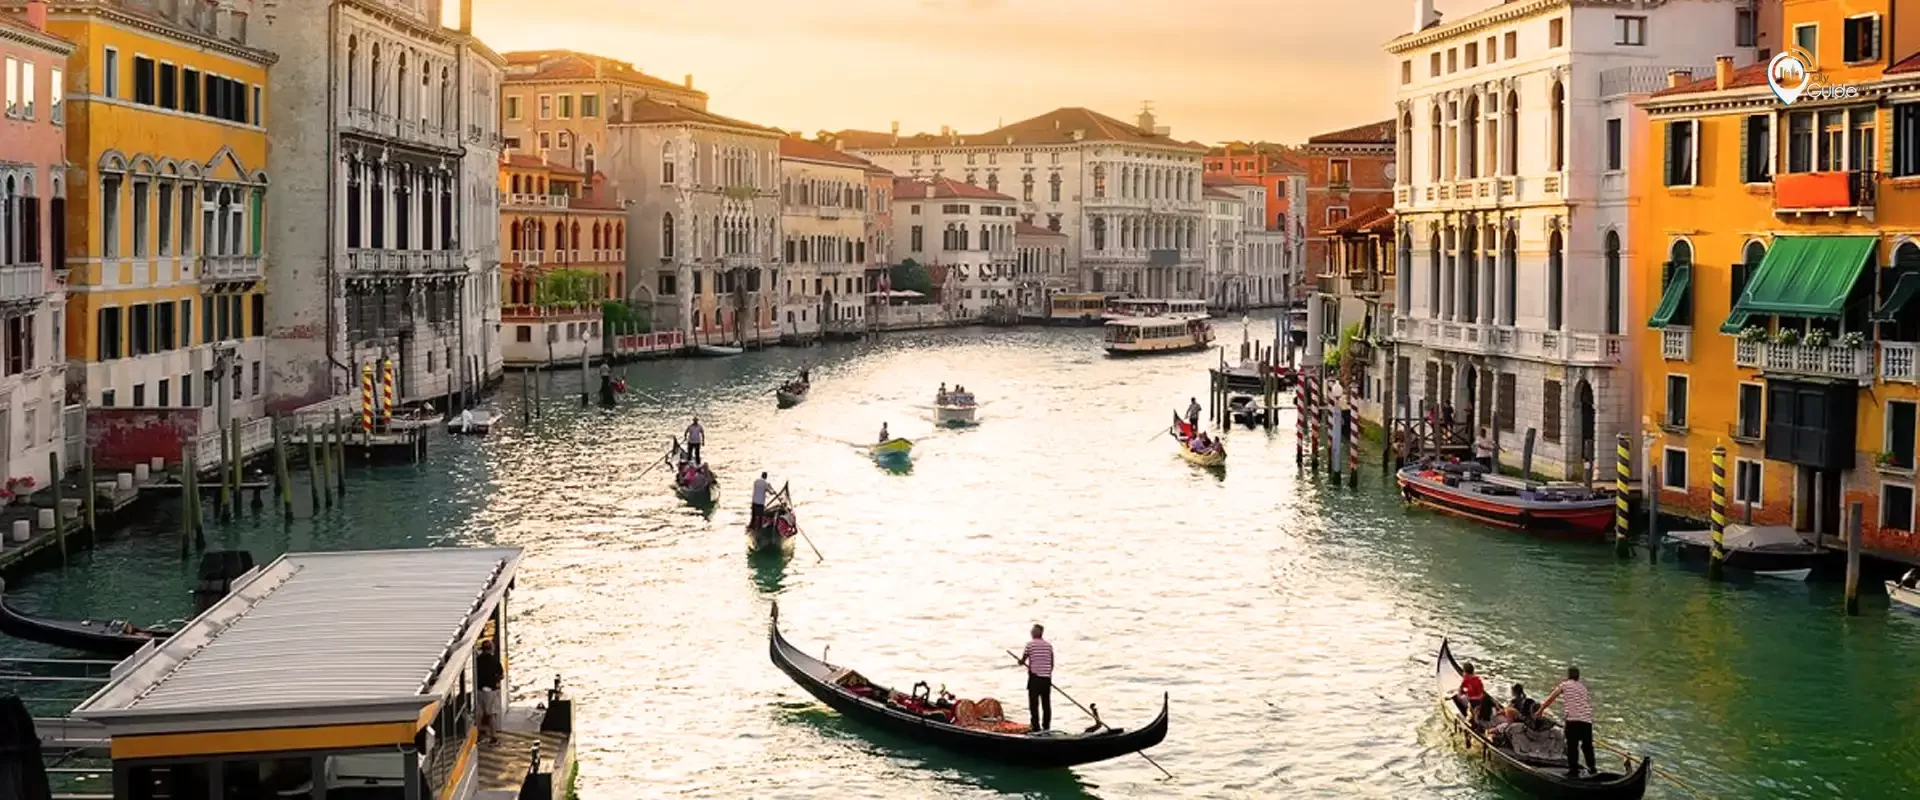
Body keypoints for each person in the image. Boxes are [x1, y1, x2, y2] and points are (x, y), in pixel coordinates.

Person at [1537, 665, 1596, 777]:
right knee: (1587, 746)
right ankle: (1592, 769)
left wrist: (1540, 710)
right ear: (1578, 677)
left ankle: (1573, 770)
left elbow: (1551, 698)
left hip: (1573, 720)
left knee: (1572, 745)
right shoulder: (1583, 688)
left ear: (1568, 676)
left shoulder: (1565, 685)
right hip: (1587, 720)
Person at [1015, 624, 1054, 732]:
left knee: (1034, 703)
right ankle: (1046, 726)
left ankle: (1035, 727)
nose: (1031, 632)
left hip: (1035, 678)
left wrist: (1020, 662)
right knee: (1046, 704)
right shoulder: (1049, 645)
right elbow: (1051, 663)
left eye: (1032, 631)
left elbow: (1023, 660)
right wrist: (1047, 674)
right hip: (1046, 678)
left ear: (1036, 632)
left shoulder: (1030, 645)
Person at [475, 638, 503, 745]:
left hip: (479, 690)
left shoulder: (477, 660)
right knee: (491, 714)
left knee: (479, 714)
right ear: (491, 648)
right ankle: (493, 737)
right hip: (490, 691)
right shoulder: (494, 661)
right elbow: (501, 675)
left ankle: (478, 736)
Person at [1455, 662, 1491, 726]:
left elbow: (1480, 696)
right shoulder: (1466, 678)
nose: (1463, 674)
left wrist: (1469, 698)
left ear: (1465, 672)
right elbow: (1461, 688)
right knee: (1461, 698)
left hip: (1477, 702)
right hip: (1471, 699)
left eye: (1464, 672)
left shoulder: (1478, 681)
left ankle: (1470, 717)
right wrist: (1459, 694)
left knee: (1468, 706)